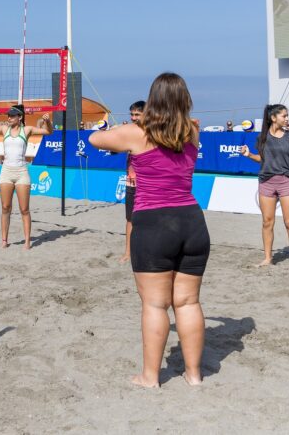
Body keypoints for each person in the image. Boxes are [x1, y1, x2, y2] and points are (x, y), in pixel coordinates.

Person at [89, 73, 208, 388]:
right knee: (188, 302)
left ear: (152, 101)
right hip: (192, 220)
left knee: (155, 304)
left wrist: (128, 127)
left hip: (155, 222)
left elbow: (95, 139)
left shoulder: (136, 133)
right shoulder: (192, 133)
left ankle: (150, 377)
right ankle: (194, 375)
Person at [240, 104, 289, 270]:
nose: (287, 119)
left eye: (287, 116)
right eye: (284, 116)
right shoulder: (261, 138)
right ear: (273, 117)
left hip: (286, 181)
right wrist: (249, 155)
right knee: (266, 222)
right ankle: (268, 258)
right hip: (266, 182)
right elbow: (262, 159)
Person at [0, 106, 53, 249]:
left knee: (24, 209)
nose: (9, 118)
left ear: (20, 117)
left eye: (12, 116)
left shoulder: (27, 130)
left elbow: (48, 131)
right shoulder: (5, 129)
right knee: (5, 208)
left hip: (21, 171)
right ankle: (4, 240)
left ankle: (27, 241)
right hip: (6, 171)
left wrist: (47, 121)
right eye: (8, 115)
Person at [121, 101, 146, 263]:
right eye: (132, 114)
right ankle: (128, 253)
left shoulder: (153, 133)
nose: (133, 117)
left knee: (149, 220)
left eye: (137, 114)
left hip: (147, 184)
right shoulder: (129, 132)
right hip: (131, 183)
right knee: (130, 220)